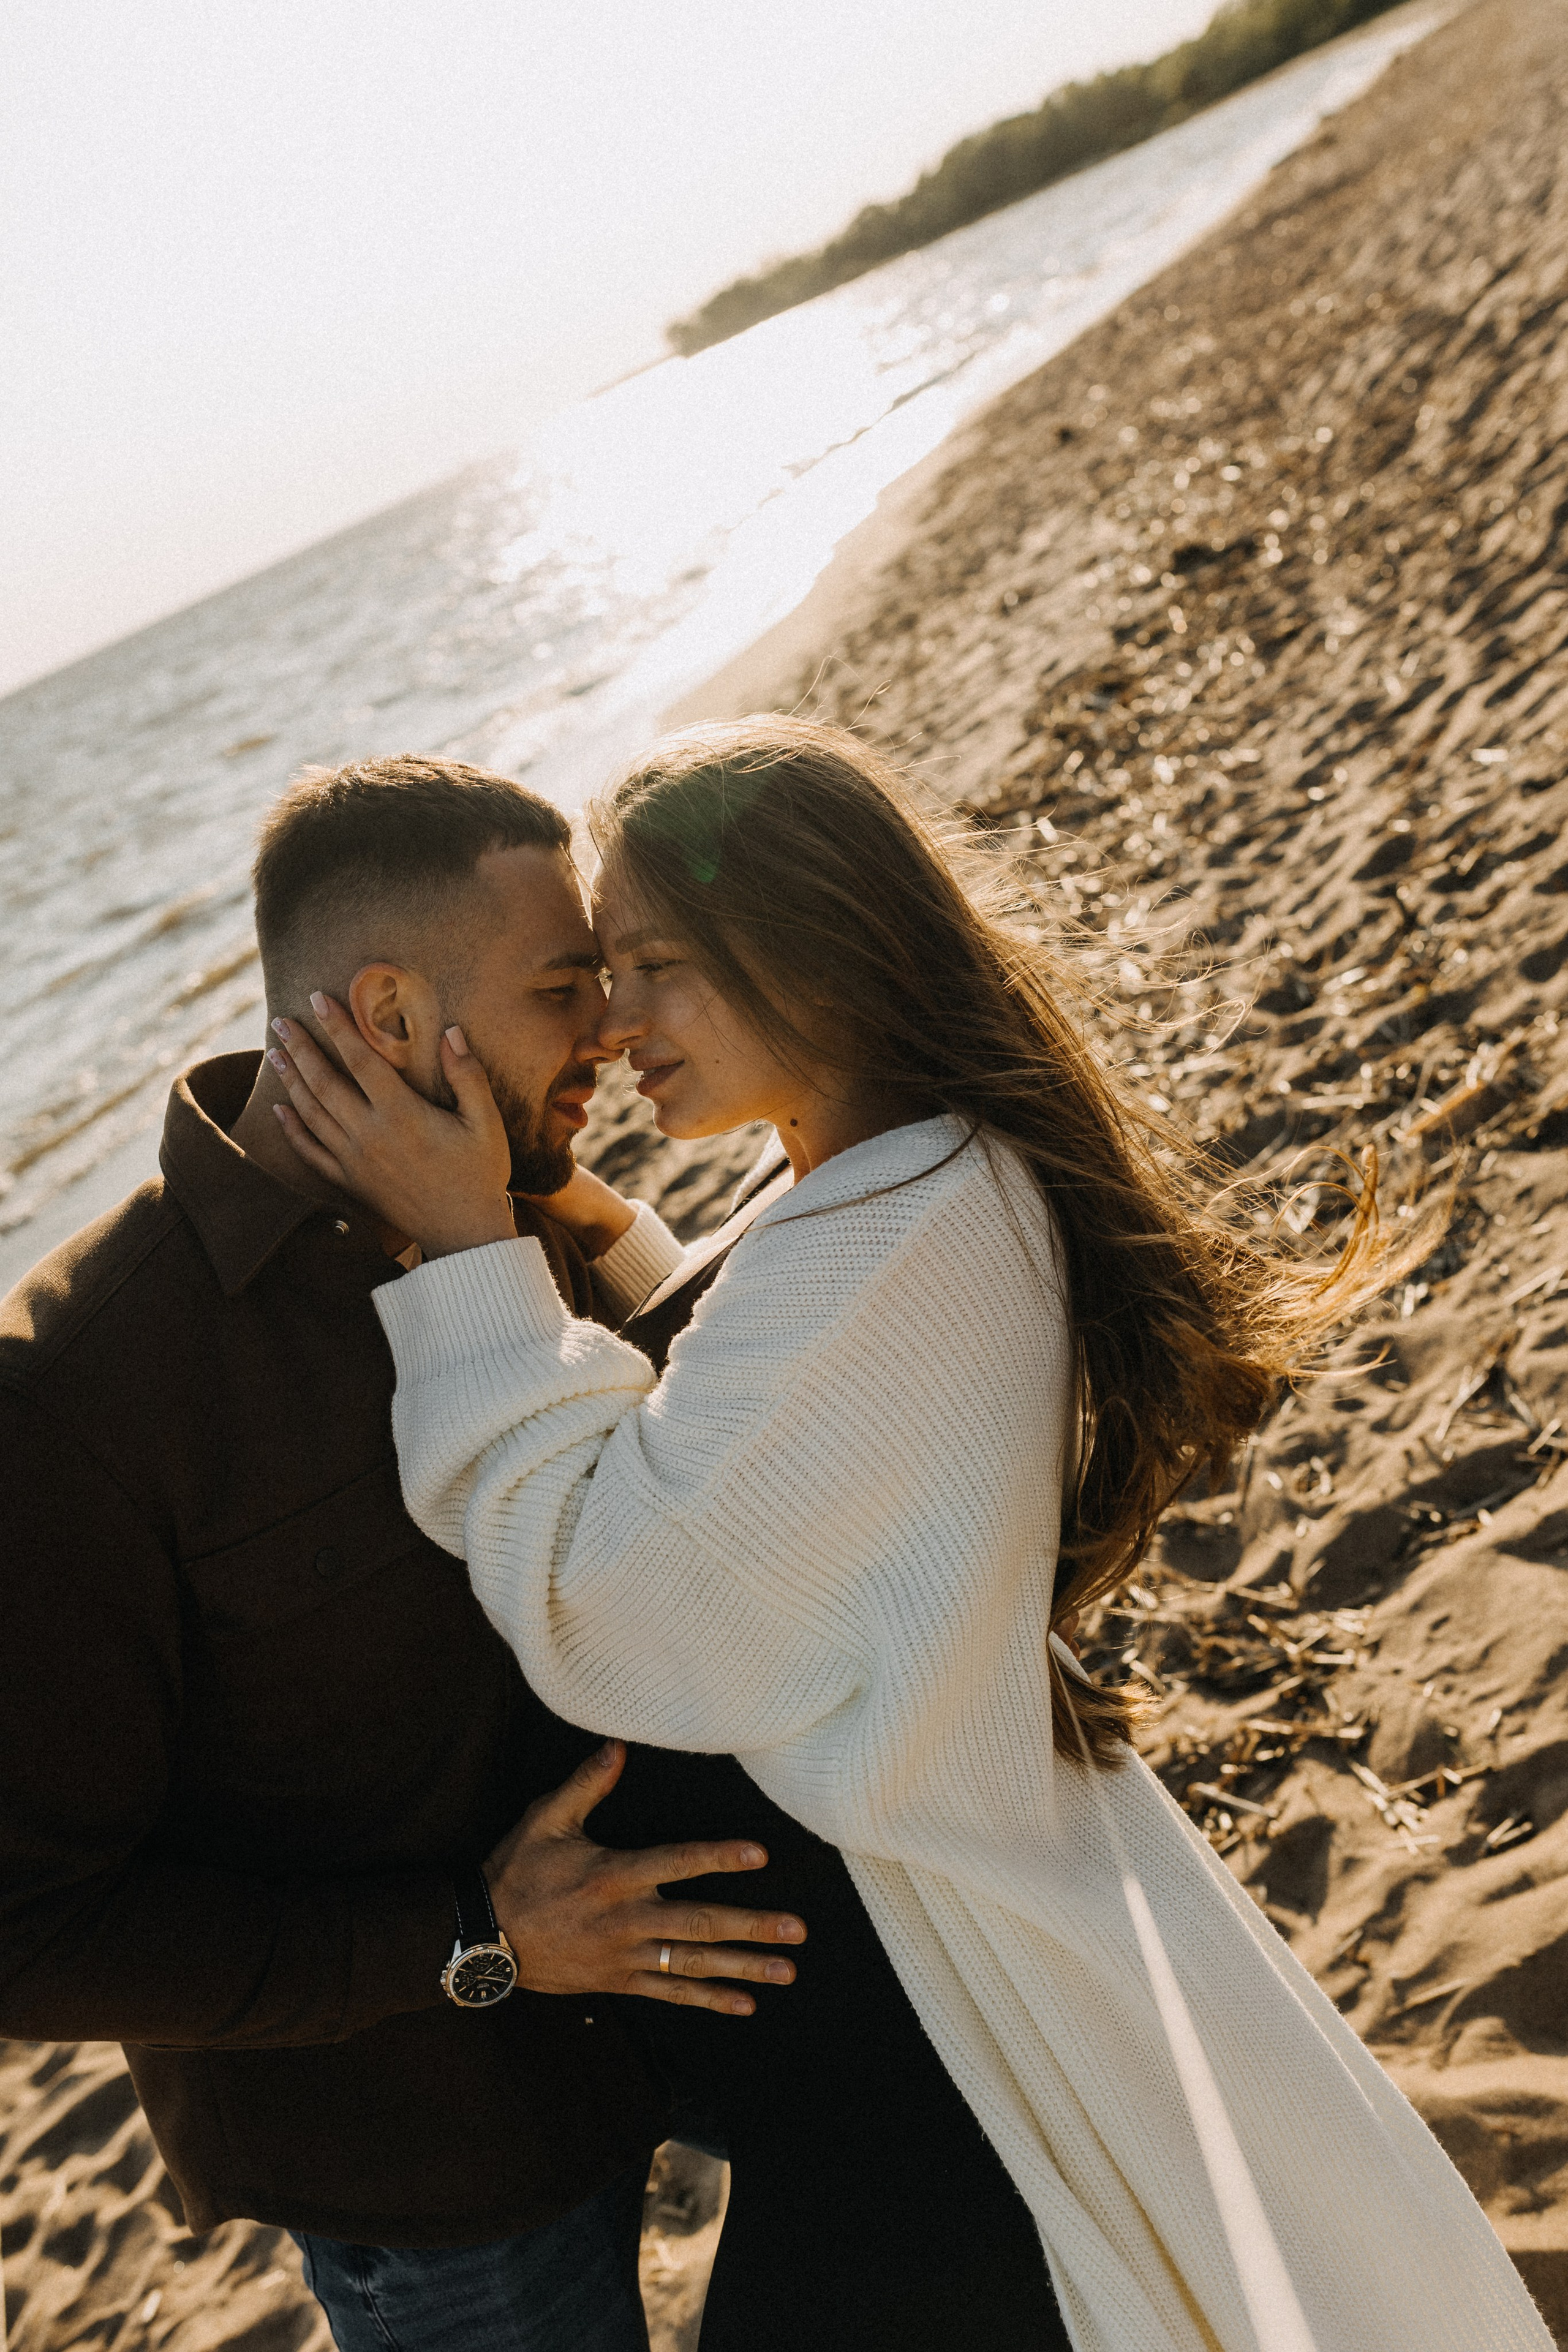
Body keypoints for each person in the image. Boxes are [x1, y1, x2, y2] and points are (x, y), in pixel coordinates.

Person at [270, 718, 1553, 2352]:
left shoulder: (907, 1229)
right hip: (894, 2021)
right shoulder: (898, 1183)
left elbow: (618, 1607)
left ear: (810, 948)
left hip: (923, 2038)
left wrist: (469, 1259)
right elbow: (759, 1395)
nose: (615, 1020)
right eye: (597, 973)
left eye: (656, 967)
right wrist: (583, 1224)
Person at [0, 756, 813, 2352]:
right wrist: (475, 1946)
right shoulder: (75, 1398)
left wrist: (547, 1201)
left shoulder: (506, 1202)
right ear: (388, 1012)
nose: (610, 1030)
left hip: (690, 2013)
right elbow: (26, 1932)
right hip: (444, 2170)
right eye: (563, 989)